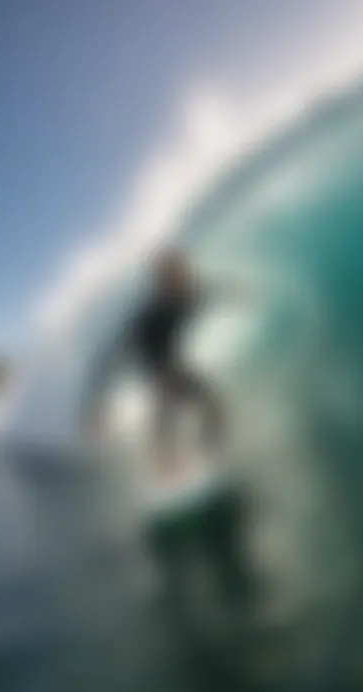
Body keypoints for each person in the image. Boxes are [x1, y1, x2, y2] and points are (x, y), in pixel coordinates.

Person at [82, 246, 255, 626]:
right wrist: (98, 405)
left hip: (173, 363)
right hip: (155, 368)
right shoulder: (148, 314)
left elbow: (213, 291)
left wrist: (237, 294)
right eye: (166, 278)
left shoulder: (192, 292)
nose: (175, 282)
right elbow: (114, 357)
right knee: (169, 403)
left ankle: (206, 459)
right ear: (158, 283)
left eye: (177, 274)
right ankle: (165, 469)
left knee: (215, 408)